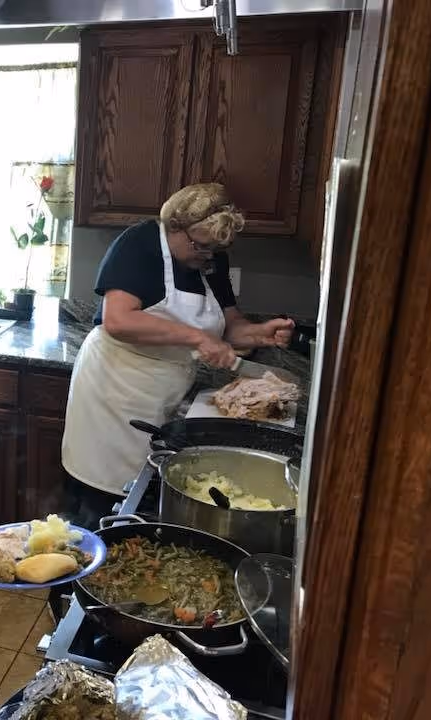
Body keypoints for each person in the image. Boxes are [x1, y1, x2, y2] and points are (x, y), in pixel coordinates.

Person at [61, 183, 294, 527]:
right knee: (100, 494)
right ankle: (81, 565)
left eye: (215, 249)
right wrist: (197, 338)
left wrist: (260, 332)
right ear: (174, 227)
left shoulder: (210, 258)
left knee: (142, 491)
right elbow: (118, 319)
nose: (207, 256)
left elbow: (228, 326)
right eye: (200, 246)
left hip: (163, 391)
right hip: (112, 388)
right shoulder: (139, 244)